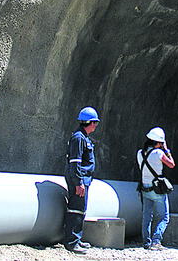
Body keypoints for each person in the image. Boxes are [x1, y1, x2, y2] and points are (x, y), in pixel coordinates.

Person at [63, 106, 100, 254]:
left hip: (84, 178)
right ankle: (72, 242)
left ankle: (76, 239)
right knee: (76, 209)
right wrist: (79, 183)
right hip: (79, 179)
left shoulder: (84, 138)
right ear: (90, 123)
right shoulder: (79, 138)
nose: (96, 126)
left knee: (81, 209)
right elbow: (75, 163)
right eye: (95, 123)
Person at [136, 127, 176, 250]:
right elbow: (171, 164)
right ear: (159, 142)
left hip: (144, 188)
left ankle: (146, 242)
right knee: (164, 217)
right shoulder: (159, 153)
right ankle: (156, 241)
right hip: (157, 189)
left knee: (147, 216)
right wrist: (167, 150)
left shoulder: (139, 153)